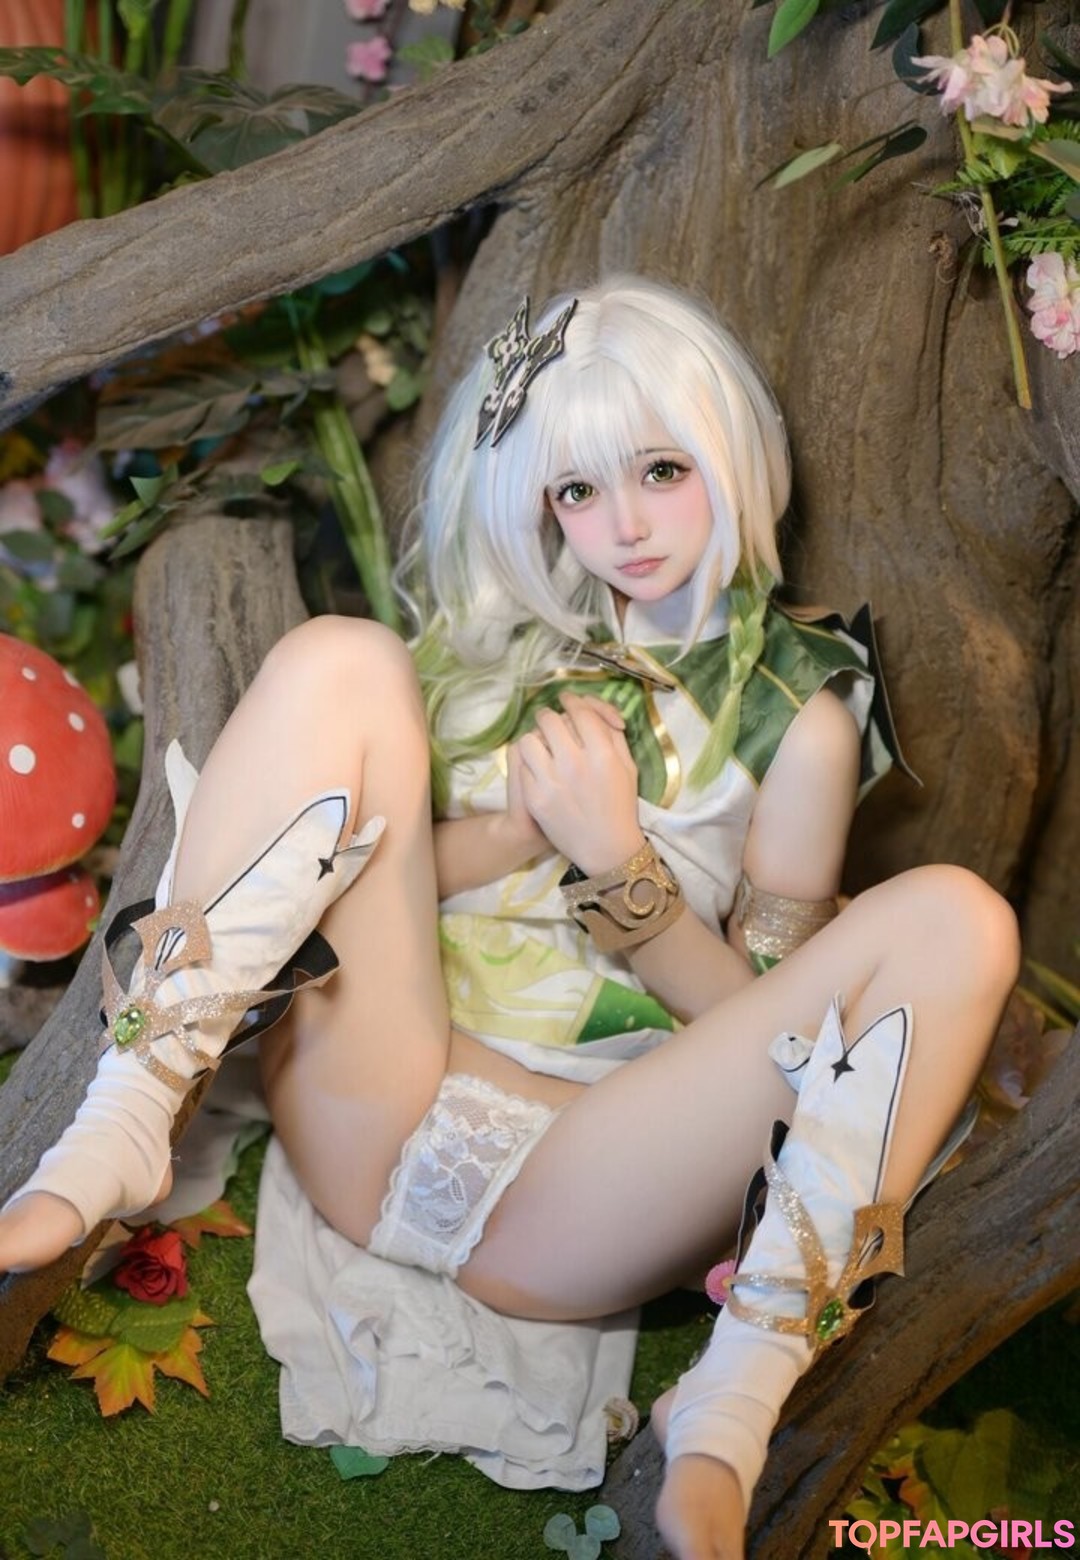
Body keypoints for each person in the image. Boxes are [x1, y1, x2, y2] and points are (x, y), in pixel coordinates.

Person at [0, 276, 1018, 1559]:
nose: (623, 527)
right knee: (341, 654)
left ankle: (740, 1385)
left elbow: (778, 1033)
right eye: (578, 491)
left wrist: (619, 866)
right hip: (375, 1092)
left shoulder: (801, 721)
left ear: (730, 459)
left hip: (578, 1188)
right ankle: (123, 1117)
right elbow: (365, 871)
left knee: (962, 919)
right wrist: (521, 830)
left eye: (661, 472)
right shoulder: (510, 641)